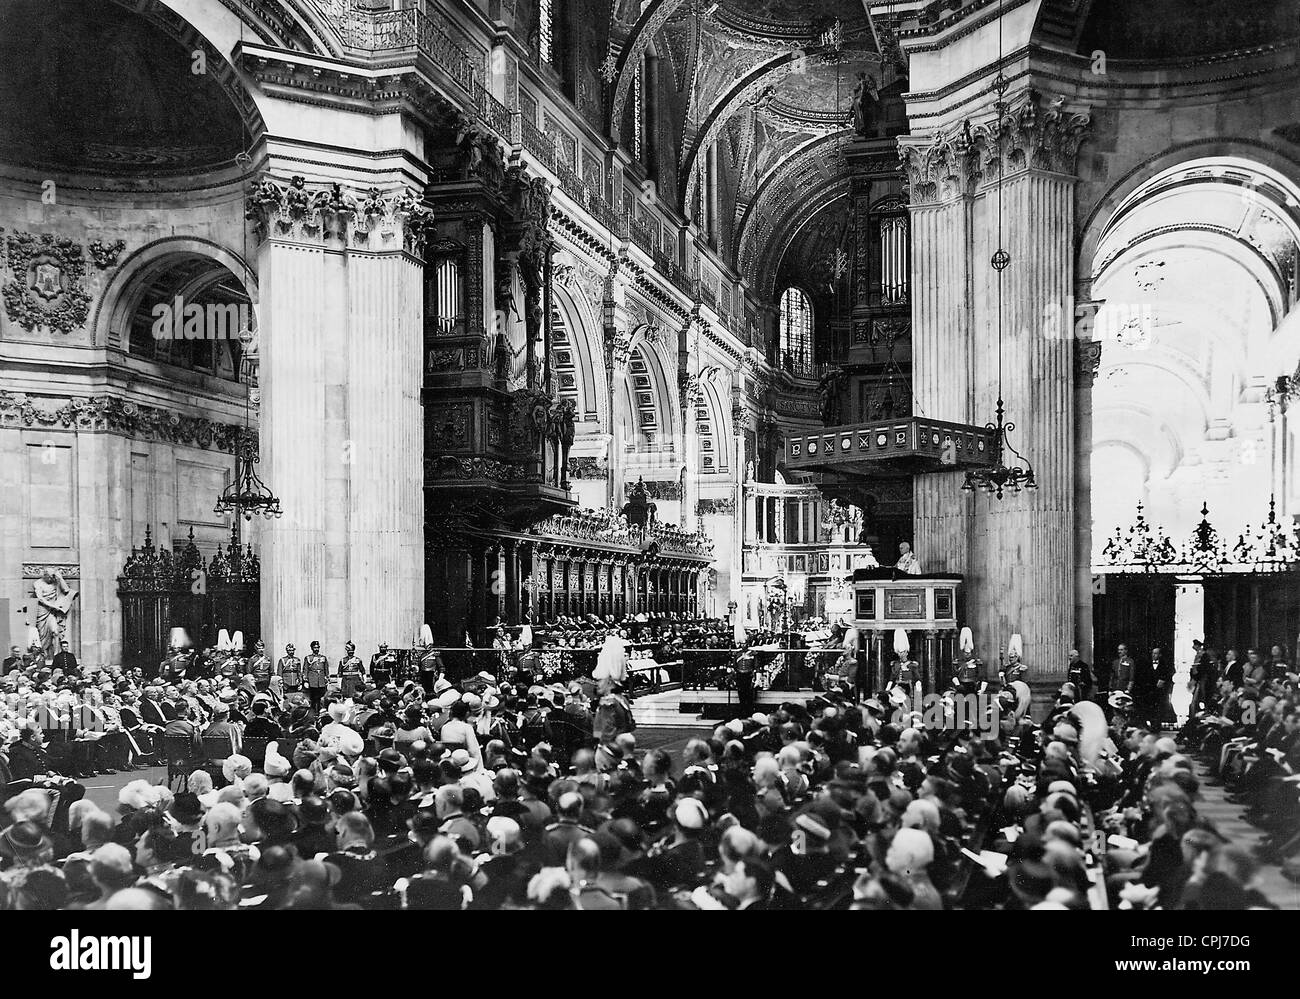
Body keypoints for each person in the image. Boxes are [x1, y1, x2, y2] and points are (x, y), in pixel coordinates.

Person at [303, 641, 329, 711]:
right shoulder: (308, 658)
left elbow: (326, 668)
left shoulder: (323, 657)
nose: (316, 649)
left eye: (317, 647)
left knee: (321, 698)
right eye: (315, 647)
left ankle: (320, 711)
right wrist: (306, 680)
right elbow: (305, 669)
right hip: (312, 680)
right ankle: (313, 711)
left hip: (321, 681)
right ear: (312, 648)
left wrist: (327, 678)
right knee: (313, 698)